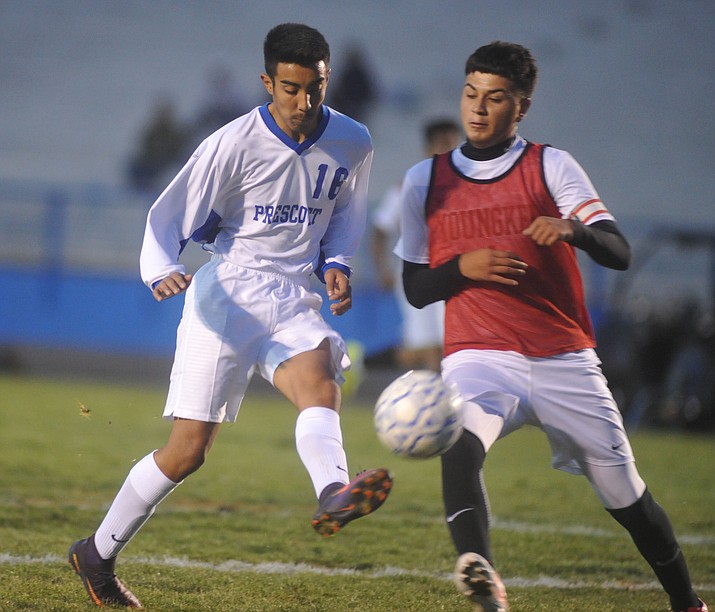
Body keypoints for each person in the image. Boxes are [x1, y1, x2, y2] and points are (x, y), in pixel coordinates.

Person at [68, 23, 392, 609]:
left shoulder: (353, 139)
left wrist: (338, 262)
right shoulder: (232, 143)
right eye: (290, 89)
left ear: (328, 80)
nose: (304, 102)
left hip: (294, 295)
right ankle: (97, 553)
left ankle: (333, 494)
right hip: (228, 292)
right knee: (188, 451)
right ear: (267, 82)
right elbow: (167, 214)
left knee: (321, 384)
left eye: (315, 88)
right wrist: (161, 266)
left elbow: (346, 207)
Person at [395, 41, 707, 612]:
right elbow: (417, 290)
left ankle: (688, 602)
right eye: (470, 95)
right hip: (480, 355)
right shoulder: (425, 181)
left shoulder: (551, 166)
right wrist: (462, 268)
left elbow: (619, 250)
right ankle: (478, 567)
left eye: (495, 98)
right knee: (457, 441)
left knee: (628, 498)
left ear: (523, 105)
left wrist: (574, 231)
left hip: (565, 359)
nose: (479, 109)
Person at [371, 119, 462, 372]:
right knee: (431, 346)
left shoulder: (466, 189)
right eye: (443, 145)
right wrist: (383, 269)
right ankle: (436, 401)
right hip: (417, 272)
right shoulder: (408, 187)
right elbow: (379, 230)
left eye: (454, 145)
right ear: (428, 149)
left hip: (454, 272)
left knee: (443, 344)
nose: (449, 152)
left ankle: (368, 363)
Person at [126, 94, 189, 194]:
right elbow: (145, 149)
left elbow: (180, 151)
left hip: (168, 165)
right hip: (152, 164)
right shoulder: (152, 132)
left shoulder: (176, 133)